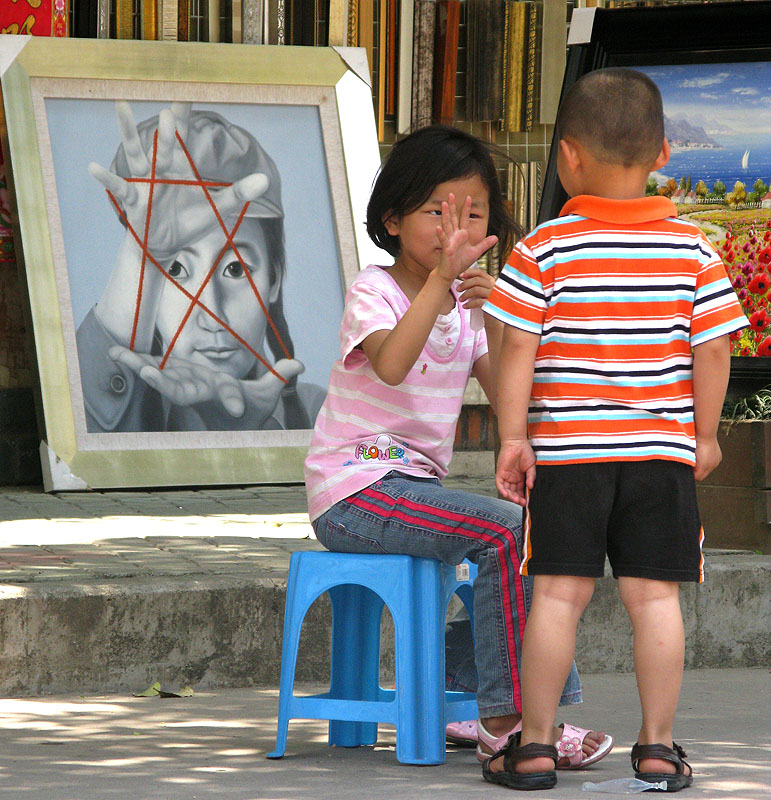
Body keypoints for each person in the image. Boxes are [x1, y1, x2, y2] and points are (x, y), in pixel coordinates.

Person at [304, 125, 611, 768]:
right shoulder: (375, 290)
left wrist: (496, 319)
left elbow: (507, 399)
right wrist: (440, 286)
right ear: (391, 219)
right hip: (354, 491)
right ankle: (510, 724)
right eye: (436, 212)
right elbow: (390, 364)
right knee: (501, 530)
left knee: (526, 528)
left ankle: (497, 705)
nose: (455, 229)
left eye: (472, 214)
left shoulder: (467, 307)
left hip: (415, 493)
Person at [482, 68, 748, 791]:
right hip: (659, 458)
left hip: (568, 457)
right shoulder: (694, 250)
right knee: (653, 600)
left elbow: (514, 348)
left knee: (557, 598)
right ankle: (657, 748)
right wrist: (706, 434)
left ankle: (534, 747)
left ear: (566, 158)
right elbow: (714, 347)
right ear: (663, 154)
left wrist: (513, 436)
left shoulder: (541, 248)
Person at [78, 101, 324, 433]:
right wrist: (143, 256)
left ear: (274, 279)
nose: (212, 316)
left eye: (235, 270)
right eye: (175, 269)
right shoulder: (110, 411)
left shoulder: (322, 414)